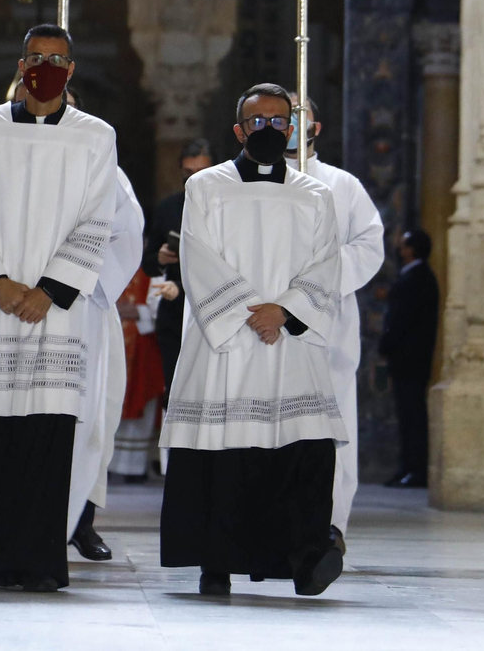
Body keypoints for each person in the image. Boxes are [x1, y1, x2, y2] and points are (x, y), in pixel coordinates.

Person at [0, 24, 117, 593]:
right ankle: (4, 560)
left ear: (72, 69)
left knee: (49, 438)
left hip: (56, 312)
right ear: (20, 64)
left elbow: (97, 220)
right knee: (0, 440)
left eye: (58, 59)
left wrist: (50, 290)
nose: (47, 66)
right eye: (37, 57)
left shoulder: (95, 135)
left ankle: (43, 562)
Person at [160, 83, 345, 598]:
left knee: (298, 451)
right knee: (223, 457)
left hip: (288, 342)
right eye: (257, 121)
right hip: (227, 342)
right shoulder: (207, 187)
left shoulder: (316, 195)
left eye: (278, 120)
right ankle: (215, 563)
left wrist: (284, 311)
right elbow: (198, 257)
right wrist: (251, 311)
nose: (268, 129)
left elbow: (327, 262)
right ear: (239, 130)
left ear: (293, 127)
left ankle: (303, 560)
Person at [286, 97, 384, 549]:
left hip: (327, 324)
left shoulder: (342, 186)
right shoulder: (246, 184)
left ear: (315, 125)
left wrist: (319, 277)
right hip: (267, 321)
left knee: (332, 419)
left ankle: (331, 523)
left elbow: (368, 245)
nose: (288, 122)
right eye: (278, 113)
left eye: (296, 113)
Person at [63, 86, 143, 565]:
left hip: (88, 305)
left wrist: (85, 285)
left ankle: (83, 521)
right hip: (25, 310)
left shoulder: (106, 171)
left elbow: (127, 232)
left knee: (95, 417)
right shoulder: (12, 162)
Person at [145, 139, 215, 402]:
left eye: (201, 173)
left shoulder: (224, 208)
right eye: (188, 173)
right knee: (176, 393)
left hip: (213, 309)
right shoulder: (168, 208)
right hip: (174, 314)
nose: (193, 179)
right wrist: (161, 257)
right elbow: (148, 263)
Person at [380, 228, 439, 488]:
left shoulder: (418, 278)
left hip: (410, 360)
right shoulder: (415, 277)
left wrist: (387, 345)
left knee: (412, 416)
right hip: (408, 359)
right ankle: (407, 467)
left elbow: (402, 320)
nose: (399, 249)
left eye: (403, 245)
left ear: (412, 249)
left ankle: (415, 470)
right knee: (407, 416)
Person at [109, 268, 165, 483]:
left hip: (145, 342)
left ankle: (135, 466)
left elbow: (166, 302)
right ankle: (109, 463)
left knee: (143, 394)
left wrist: (140, 311)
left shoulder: (155, 264)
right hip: (114, 338)